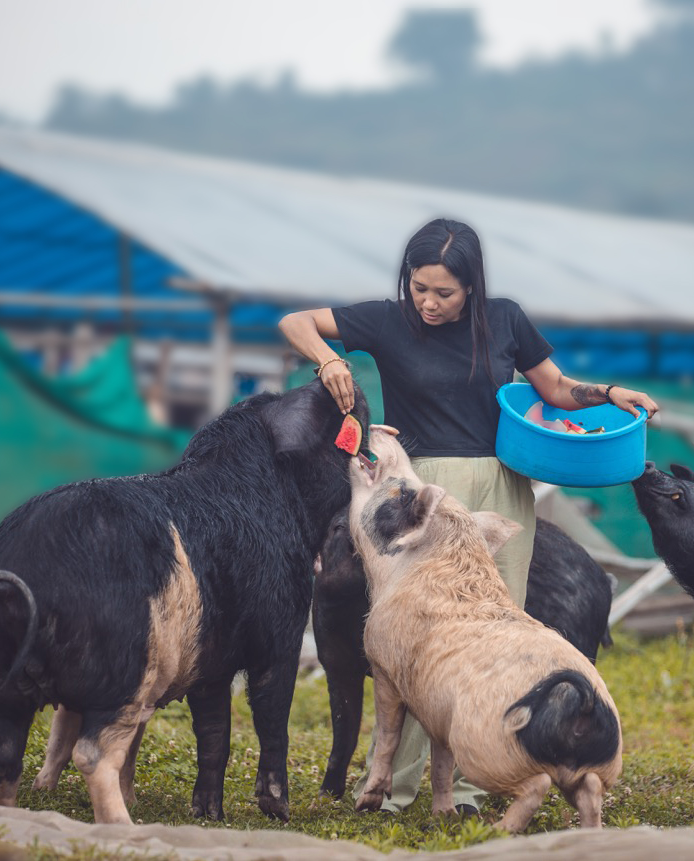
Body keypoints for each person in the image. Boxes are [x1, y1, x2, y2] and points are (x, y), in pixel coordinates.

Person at [278, 217, 657, 815]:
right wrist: (328, 360)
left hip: (500, 489)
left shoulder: (505, 319)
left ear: (472, 287)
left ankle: (481, 783)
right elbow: (295, 321)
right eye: (419, 287)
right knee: (413, 641)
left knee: (490, 635)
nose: (428, 302)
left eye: (444, 292)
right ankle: (398, 789)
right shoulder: (386, 319)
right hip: (421, 494)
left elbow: (555, 388)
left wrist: (611, 393)